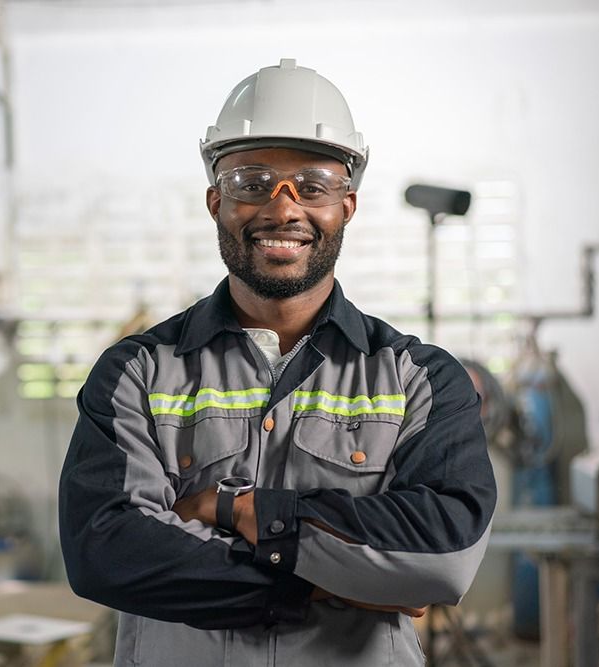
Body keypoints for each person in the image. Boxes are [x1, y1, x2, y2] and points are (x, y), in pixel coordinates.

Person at [59, 59, 496, 666]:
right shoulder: (136, 372)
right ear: (215, 200)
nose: (283, 209)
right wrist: (330, 581)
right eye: (252, 182)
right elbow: (105, 551)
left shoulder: (421, 380)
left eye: (312, 186)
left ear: (347, 206)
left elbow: (441, 558)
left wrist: (235, 510)